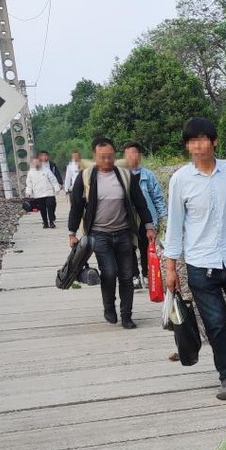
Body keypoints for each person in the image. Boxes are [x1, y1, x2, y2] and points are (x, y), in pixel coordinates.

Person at [163, 117, 226, 401]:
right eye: (191, 141)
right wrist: (170, 267)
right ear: (187, 146)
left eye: (203, 139)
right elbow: (174, 226)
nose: (197, 146)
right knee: (216, 323)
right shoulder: (180, 180)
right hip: (200, 263)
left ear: (214, 142)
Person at [68, 137, 155, 329]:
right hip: (99, 234)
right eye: (102, 157)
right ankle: (109, 307)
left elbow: (140, 202)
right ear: (94, 156)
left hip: (124, 233)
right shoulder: (85, 177)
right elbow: (76, 206)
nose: (107, 161)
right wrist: (72, 232)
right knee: (109, 272)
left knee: (126, 275)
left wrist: (148, 225)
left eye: (110, 157)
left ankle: (127, 315)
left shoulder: (125, 175)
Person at [122, 142, 167, 283]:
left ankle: (148, 275)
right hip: (127, 217)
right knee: (129, 247)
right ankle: (134, 275)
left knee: (146, 246)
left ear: (140, 155)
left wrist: (164, 218)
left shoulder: (148, 175)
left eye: (133, 153)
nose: (130, 157)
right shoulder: (121, 175)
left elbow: (157, 198)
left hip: (146, 217)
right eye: (127, 154)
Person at [24, 154, 62, 229]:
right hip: (38, 194)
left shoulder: (46, 170)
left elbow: (53, 179)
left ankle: (51, 221)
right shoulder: (30, 173)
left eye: (38, 162)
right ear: (33, 163)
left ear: (40, 162)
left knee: (51, 206)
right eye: (35, 163)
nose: (37, 164)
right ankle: (45, 223)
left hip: (49, 193)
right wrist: (28, 192)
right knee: (42, 209)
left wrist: (56, 188)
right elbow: (29, 184)